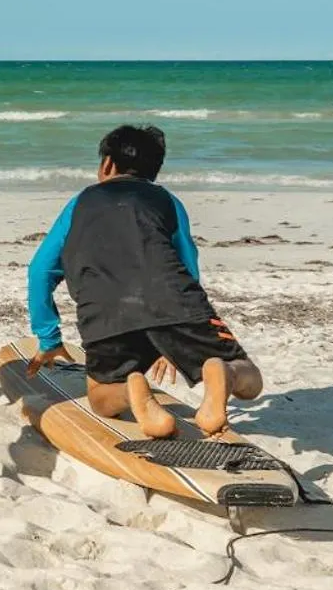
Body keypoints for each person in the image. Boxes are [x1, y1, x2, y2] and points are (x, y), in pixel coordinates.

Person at [25, 124, 263, 437]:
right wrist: (175, 339)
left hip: (105, 312)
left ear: (107, 164)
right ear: (155, 171)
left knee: (101, 398)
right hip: (174, 301)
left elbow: (40, 270)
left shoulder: (80, 203)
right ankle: (226, 374)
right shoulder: (167, 201)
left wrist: (49, 339)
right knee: (251, 380)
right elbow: (186, 265)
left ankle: (132, 389)